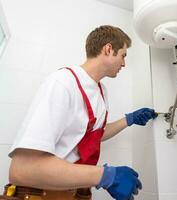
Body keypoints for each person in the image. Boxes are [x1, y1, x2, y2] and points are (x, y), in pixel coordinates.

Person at [2, 25, 157, 200]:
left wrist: (129, 119)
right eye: (123, 55)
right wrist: (105, 176)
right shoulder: (63, 82)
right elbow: (23, 169)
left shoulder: (101, 92)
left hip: (75, 193)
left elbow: (92, 135)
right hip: (41, 194)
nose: (123, 63)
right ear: (108, 49)